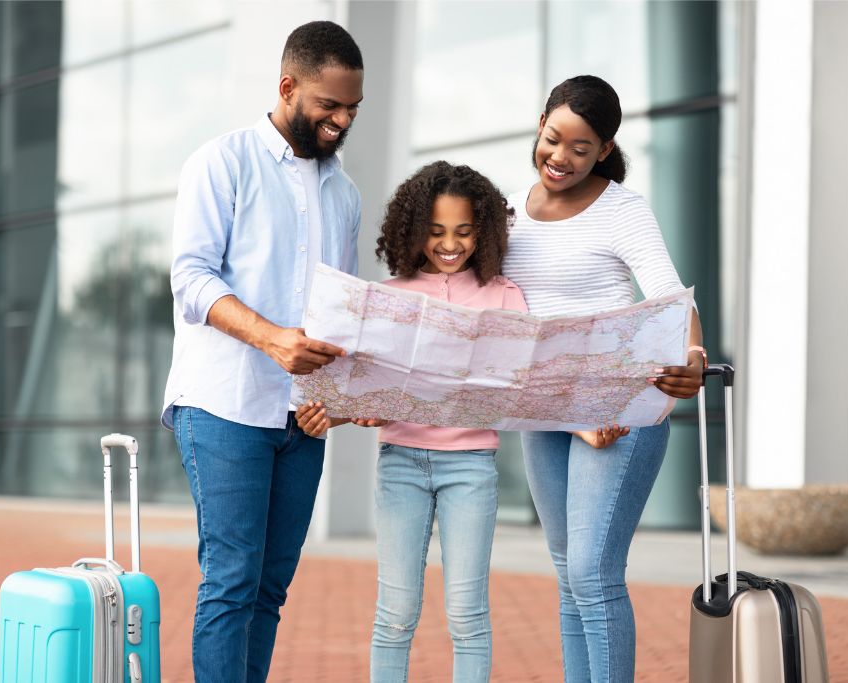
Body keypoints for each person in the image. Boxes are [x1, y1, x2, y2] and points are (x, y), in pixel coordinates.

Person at [160, 21, 367, 683]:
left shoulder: (345, 193)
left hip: (301, 418)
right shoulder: (222, 162)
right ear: (287, 87)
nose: (341, 120)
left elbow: (346, 310)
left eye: (352, 109)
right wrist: (272, 337)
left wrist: (335, 400)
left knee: (270, 587)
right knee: (231, 579)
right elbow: (192, 278)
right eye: (329, 105)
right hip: (223, 403)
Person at [501, 75, 705, 683]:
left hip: (619, 407)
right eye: (553, 138)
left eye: (581, 148)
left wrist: (693, 353)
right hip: (545, 412)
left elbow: (671, 298)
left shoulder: (623, 210)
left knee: (593, 572)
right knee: (568, 574)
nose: (560, 158)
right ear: (540, 124)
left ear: (605, 152)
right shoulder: (510, 212)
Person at [295, 161, 528, 683]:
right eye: (436, 232)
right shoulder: (387, 298)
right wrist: (330, 417)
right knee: (395, 615)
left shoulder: (506, 296)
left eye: (464, 231)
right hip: (401, 463)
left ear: (484, 231)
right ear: (413, 231)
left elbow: (522, 386)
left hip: (471, 468)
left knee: (468, 614)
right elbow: (356, 389)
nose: (450, 244)